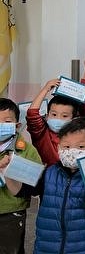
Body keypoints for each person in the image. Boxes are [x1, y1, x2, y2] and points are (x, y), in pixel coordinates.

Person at [4, 117, 85, 254]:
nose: (72, 151)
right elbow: (20, 191)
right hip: (48, 247)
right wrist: (7, 173)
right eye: (66, 146)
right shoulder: (48, 172)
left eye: (80, 147)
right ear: (59, 147)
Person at [0, 98, 42, 254]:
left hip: (12, 212)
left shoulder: (26, 150)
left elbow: (36, 181)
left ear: (17, 125)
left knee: (11, 248)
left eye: (6, 121)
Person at [26, 78, 80, 165]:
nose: (58, 119)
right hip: (45, 172)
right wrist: (45, 89)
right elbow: (32, 114)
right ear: (47, 116)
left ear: (73, 119)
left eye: (64, 116)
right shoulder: (41, 133)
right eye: (54, 114)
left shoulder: (77, 134)